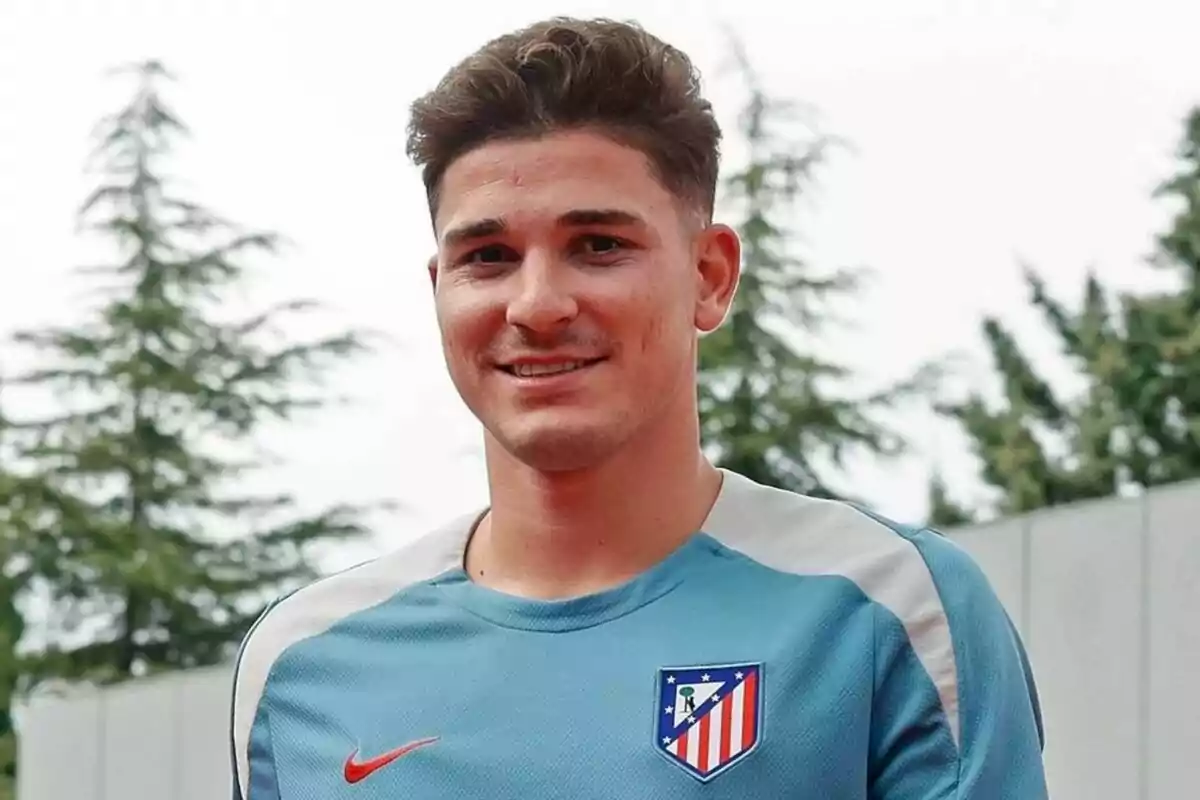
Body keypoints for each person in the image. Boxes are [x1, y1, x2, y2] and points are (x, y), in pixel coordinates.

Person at [229, 16, 1048, 799]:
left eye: (599, 245)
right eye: (488, 257)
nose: (538, 304)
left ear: (710, 275)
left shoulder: (890, 612)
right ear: (441, 291)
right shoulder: (302, 664)